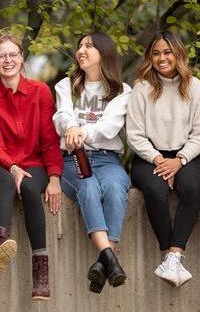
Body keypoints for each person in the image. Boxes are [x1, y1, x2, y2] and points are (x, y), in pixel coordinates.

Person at [0, 34, 64, 300]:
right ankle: (0, 242)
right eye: (2, 56)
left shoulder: (40, 91)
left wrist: (55, 177)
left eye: (13, 54)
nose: (8, 60)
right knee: (7, 180)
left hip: (33, 163)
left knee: (29, 187)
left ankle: (41, 273)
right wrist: (11, 166)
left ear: (22, 58)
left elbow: (49, 140)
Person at [126, 33, 200, 287]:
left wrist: (180, 160)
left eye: (167, 52)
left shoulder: (195, 87)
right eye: (156, 53)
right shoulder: (142, 88)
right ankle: (168, 252)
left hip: (186, 154)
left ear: (178, 54)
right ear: (150, 57)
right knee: (154, 189)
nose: (162, 58)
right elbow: (134, 134)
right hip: (148, 155)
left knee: (193, 187)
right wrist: (158, 159)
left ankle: (175, 255)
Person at [52, 32, 133, 294]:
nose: (81, 51)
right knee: (88, 188)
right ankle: (110, 260)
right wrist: (73, 126)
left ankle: (102, 263)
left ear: (104, 53)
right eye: (80, 46)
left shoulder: (121, 90)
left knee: (113, 188)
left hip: (108, 159)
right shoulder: (67, 85)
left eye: (89, 46)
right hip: (72, 159)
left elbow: (110, 127)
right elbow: (61, 116)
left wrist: (83, 133)